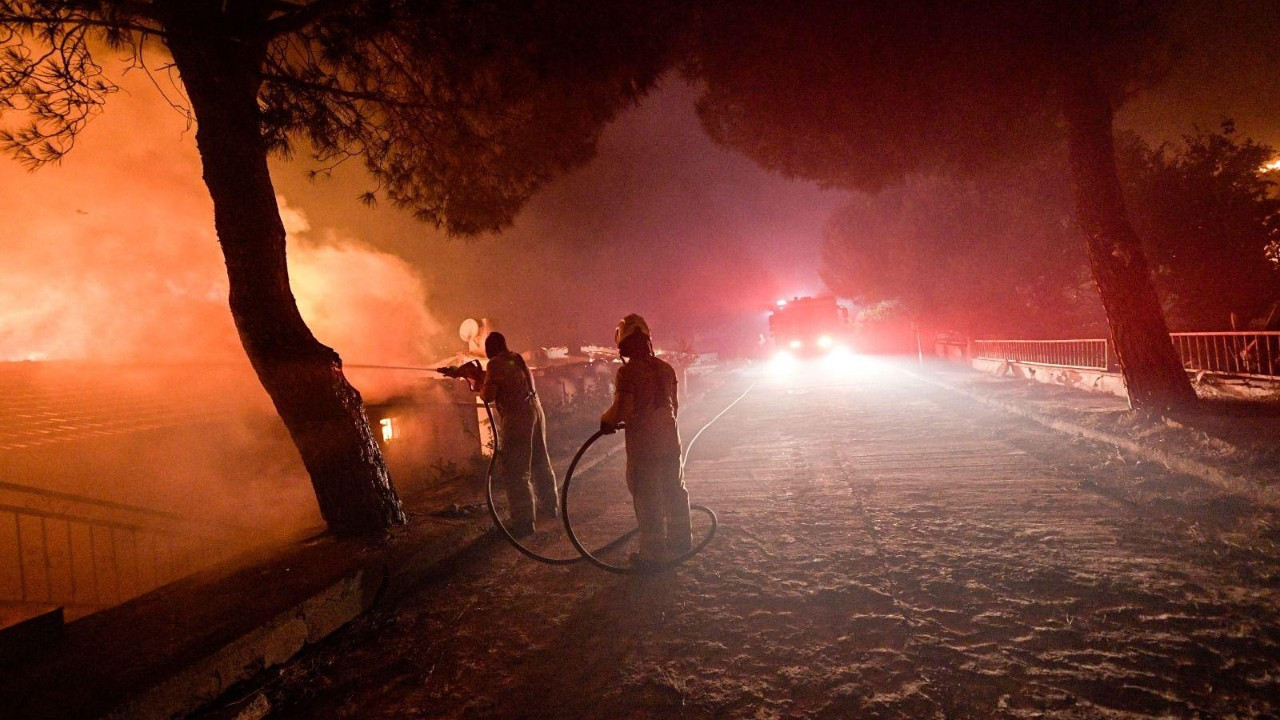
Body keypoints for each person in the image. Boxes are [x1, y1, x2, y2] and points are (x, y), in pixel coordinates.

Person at [600, 314, 691, 566]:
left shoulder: (627, 373)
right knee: (674, 490)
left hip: (645, 446)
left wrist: (605, 420)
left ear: (624, 345)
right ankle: (682, 539)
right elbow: (676, 406)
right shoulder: (666, 368)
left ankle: (653, 553)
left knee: (647, 496)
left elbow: (622, 410)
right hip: (670, 440)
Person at [479, 332, 558, 537]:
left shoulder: (494, 364)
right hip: (535, 411)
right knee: (540, 461)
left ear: (489, 350)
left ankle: (524, 521)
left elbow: (488, 396)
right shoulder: (517, 358)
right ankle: (551, 506)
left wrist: (478, 385)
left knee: (516, 470)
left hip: (517, 417)